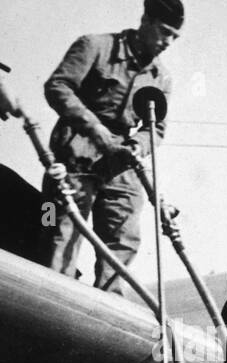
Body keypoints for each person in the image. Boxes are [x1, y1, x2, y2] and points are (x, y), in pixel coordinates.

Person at [40, 0, 183, 293]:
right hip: (74, 155)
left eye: (174, 36)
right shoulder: (94, 46)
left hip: (123, 165)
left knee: (124, 240)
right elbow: (57, 86)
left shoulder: (161, 77)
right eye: (164, 31)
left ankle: (106, 313)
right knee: (55, 227)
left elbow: (156, 128)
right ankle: (54, 303)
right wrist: (98, 134)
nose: (168, 42)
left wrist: (135, 146)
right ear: (145, 21)